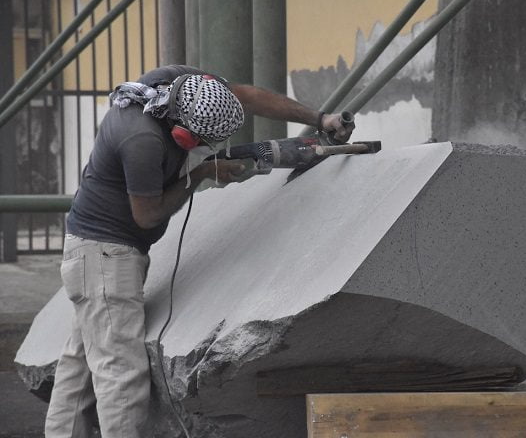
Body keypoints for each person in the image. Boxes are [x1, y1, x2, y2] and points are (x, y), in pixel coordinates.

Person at [44, 64, 354, 438]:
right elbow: (147, 215)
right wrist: (201, 174)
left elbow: (248, 95)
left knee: (78, 372)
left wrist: (320, 118)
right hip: (105, 258)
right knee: (121, 375)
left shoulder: (179, 85)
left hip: (96, 253)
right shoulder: (141, 140)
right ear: (182, 133)